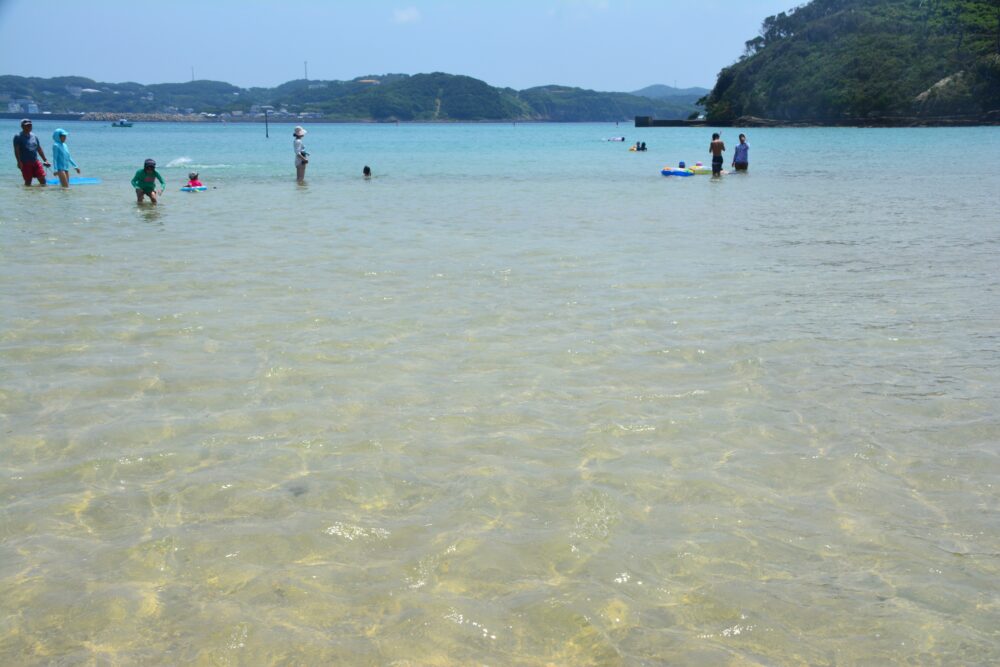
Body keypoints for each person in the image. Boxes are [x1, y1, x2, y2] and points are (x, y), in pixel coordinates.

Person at [12, 119, 50, 186]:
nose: (29, 127)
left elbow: (39, 148)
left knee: (43, 179)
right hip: (25, 162)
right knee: (28, 182)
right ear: (22, 126)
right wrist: (19, 162)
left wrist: (45, 160)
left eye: (30, 125)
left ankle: (41, 195)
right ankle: (27, 195)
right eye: (27, 125)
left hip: (35, 161)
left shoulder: (34, 136)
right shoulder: (18, 136)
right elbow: (16, 150)